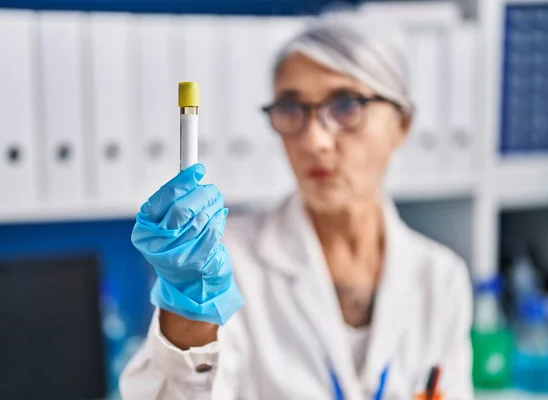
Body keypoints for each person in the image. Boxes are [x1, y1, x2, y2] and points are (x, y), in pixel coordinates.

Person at [120, 15, 474, 400]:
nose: (315, 140)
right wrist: (188, 316)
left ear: (403, 123)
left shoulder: (441, 280)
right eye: (292, 108)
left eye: (345, 105)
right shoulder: (225, 262)